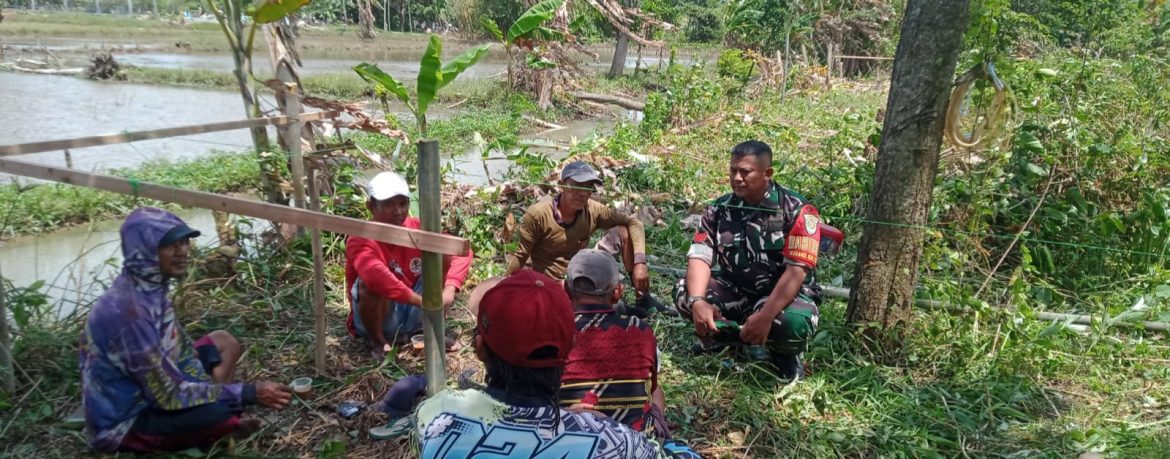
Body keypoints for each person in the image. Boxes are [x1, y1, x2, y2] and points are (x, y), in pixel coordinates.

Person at [417, 269, 699, 458]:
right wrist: (589, 424)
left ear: (480, 349)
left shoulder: (437, 416)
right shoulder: (615, 442)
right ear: (570, 348)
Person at [79, 207, 291, 453]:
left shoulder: (148, 287)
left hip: (159, 385)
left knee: (223, 342)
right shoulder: (131, 315)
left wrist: (209, 387)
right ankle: (220, 426)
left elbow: (182, 352)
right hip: (129, 419)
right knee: (222, 409)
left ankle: (220, 423)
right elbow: (166, 396)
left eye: (184, 242)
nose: (183, 252)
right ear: (145, 250)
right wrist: (249, 393)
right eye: (171, 246)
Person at [673, 140, 826, 380]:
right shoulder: (719, 208)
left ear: (767, 173)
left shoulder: (797, 210)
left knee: (793, 323)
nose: (737, 178)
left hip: (779, 297)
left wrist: (765, 316)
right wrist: (698, 301)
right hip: (736, 290)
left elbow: (797, 272)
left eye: (745, 172)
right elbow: (699, 256)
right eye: (733, 170)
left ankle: (782, 355)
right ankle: (725, 340)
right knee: (684, 292)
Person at [506, 160, 668, 316]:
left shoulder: (592, 210)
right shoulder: (538, 214)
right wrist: (504, 290)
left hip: (583, 267)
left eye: (588, 187)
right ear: (562, 185)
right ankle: (610, 306)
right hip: (555, 283)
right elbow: (521, 255)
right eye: (578, 186)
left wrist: (640, 262)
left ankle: (643, 297)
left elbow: (634, 222)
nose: (583, 193)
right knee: (563, 298)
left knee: (623, 231)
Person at [345, 171, 473, 359]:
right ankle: (378, 341)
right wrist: (421, 301)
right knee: (369, 284)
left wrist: (450, 288)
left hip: (414, 310)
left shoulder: (416, 228)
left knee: (442, 253)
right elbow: (376, 277)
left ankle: (428, 330)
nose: (398, 211)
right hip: (384, 316)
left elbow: (462, 250)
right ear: (371, 206)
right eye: (388, 204)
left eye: (402, 203)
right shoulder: (360, 238)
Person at [559, 249, 671, 440]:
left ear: (566, 291)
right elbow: (652, 388)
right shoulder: (640, 330)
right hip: (634, 444)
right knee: (656, 390)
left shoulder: (555, 332)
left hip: (571, 441)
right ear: (618, 292)